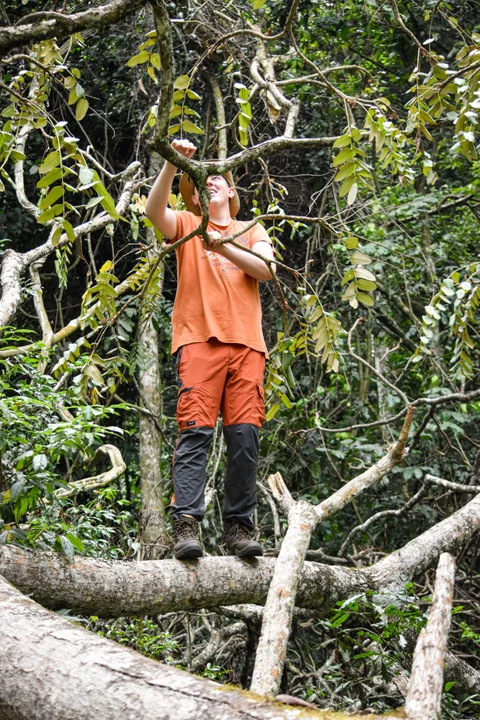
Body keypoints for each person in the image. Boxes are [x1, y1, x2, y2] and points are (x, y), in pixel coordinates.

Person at [146, 139, 275, 560]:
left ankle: (238, 529)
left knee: (244, 441)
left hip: (247, 347)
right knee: (194, 435)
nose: (211, 184)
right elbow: (153, 212)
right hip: (199, 341)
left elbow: (266, 270)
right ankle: (186, 524)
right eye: (202, 183)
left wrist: (222, 245)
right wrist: (171, 164)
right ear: (196, 196)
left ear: (232, 192)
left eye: (218, 179)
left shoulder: (252, 229)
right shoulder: (186, 224)